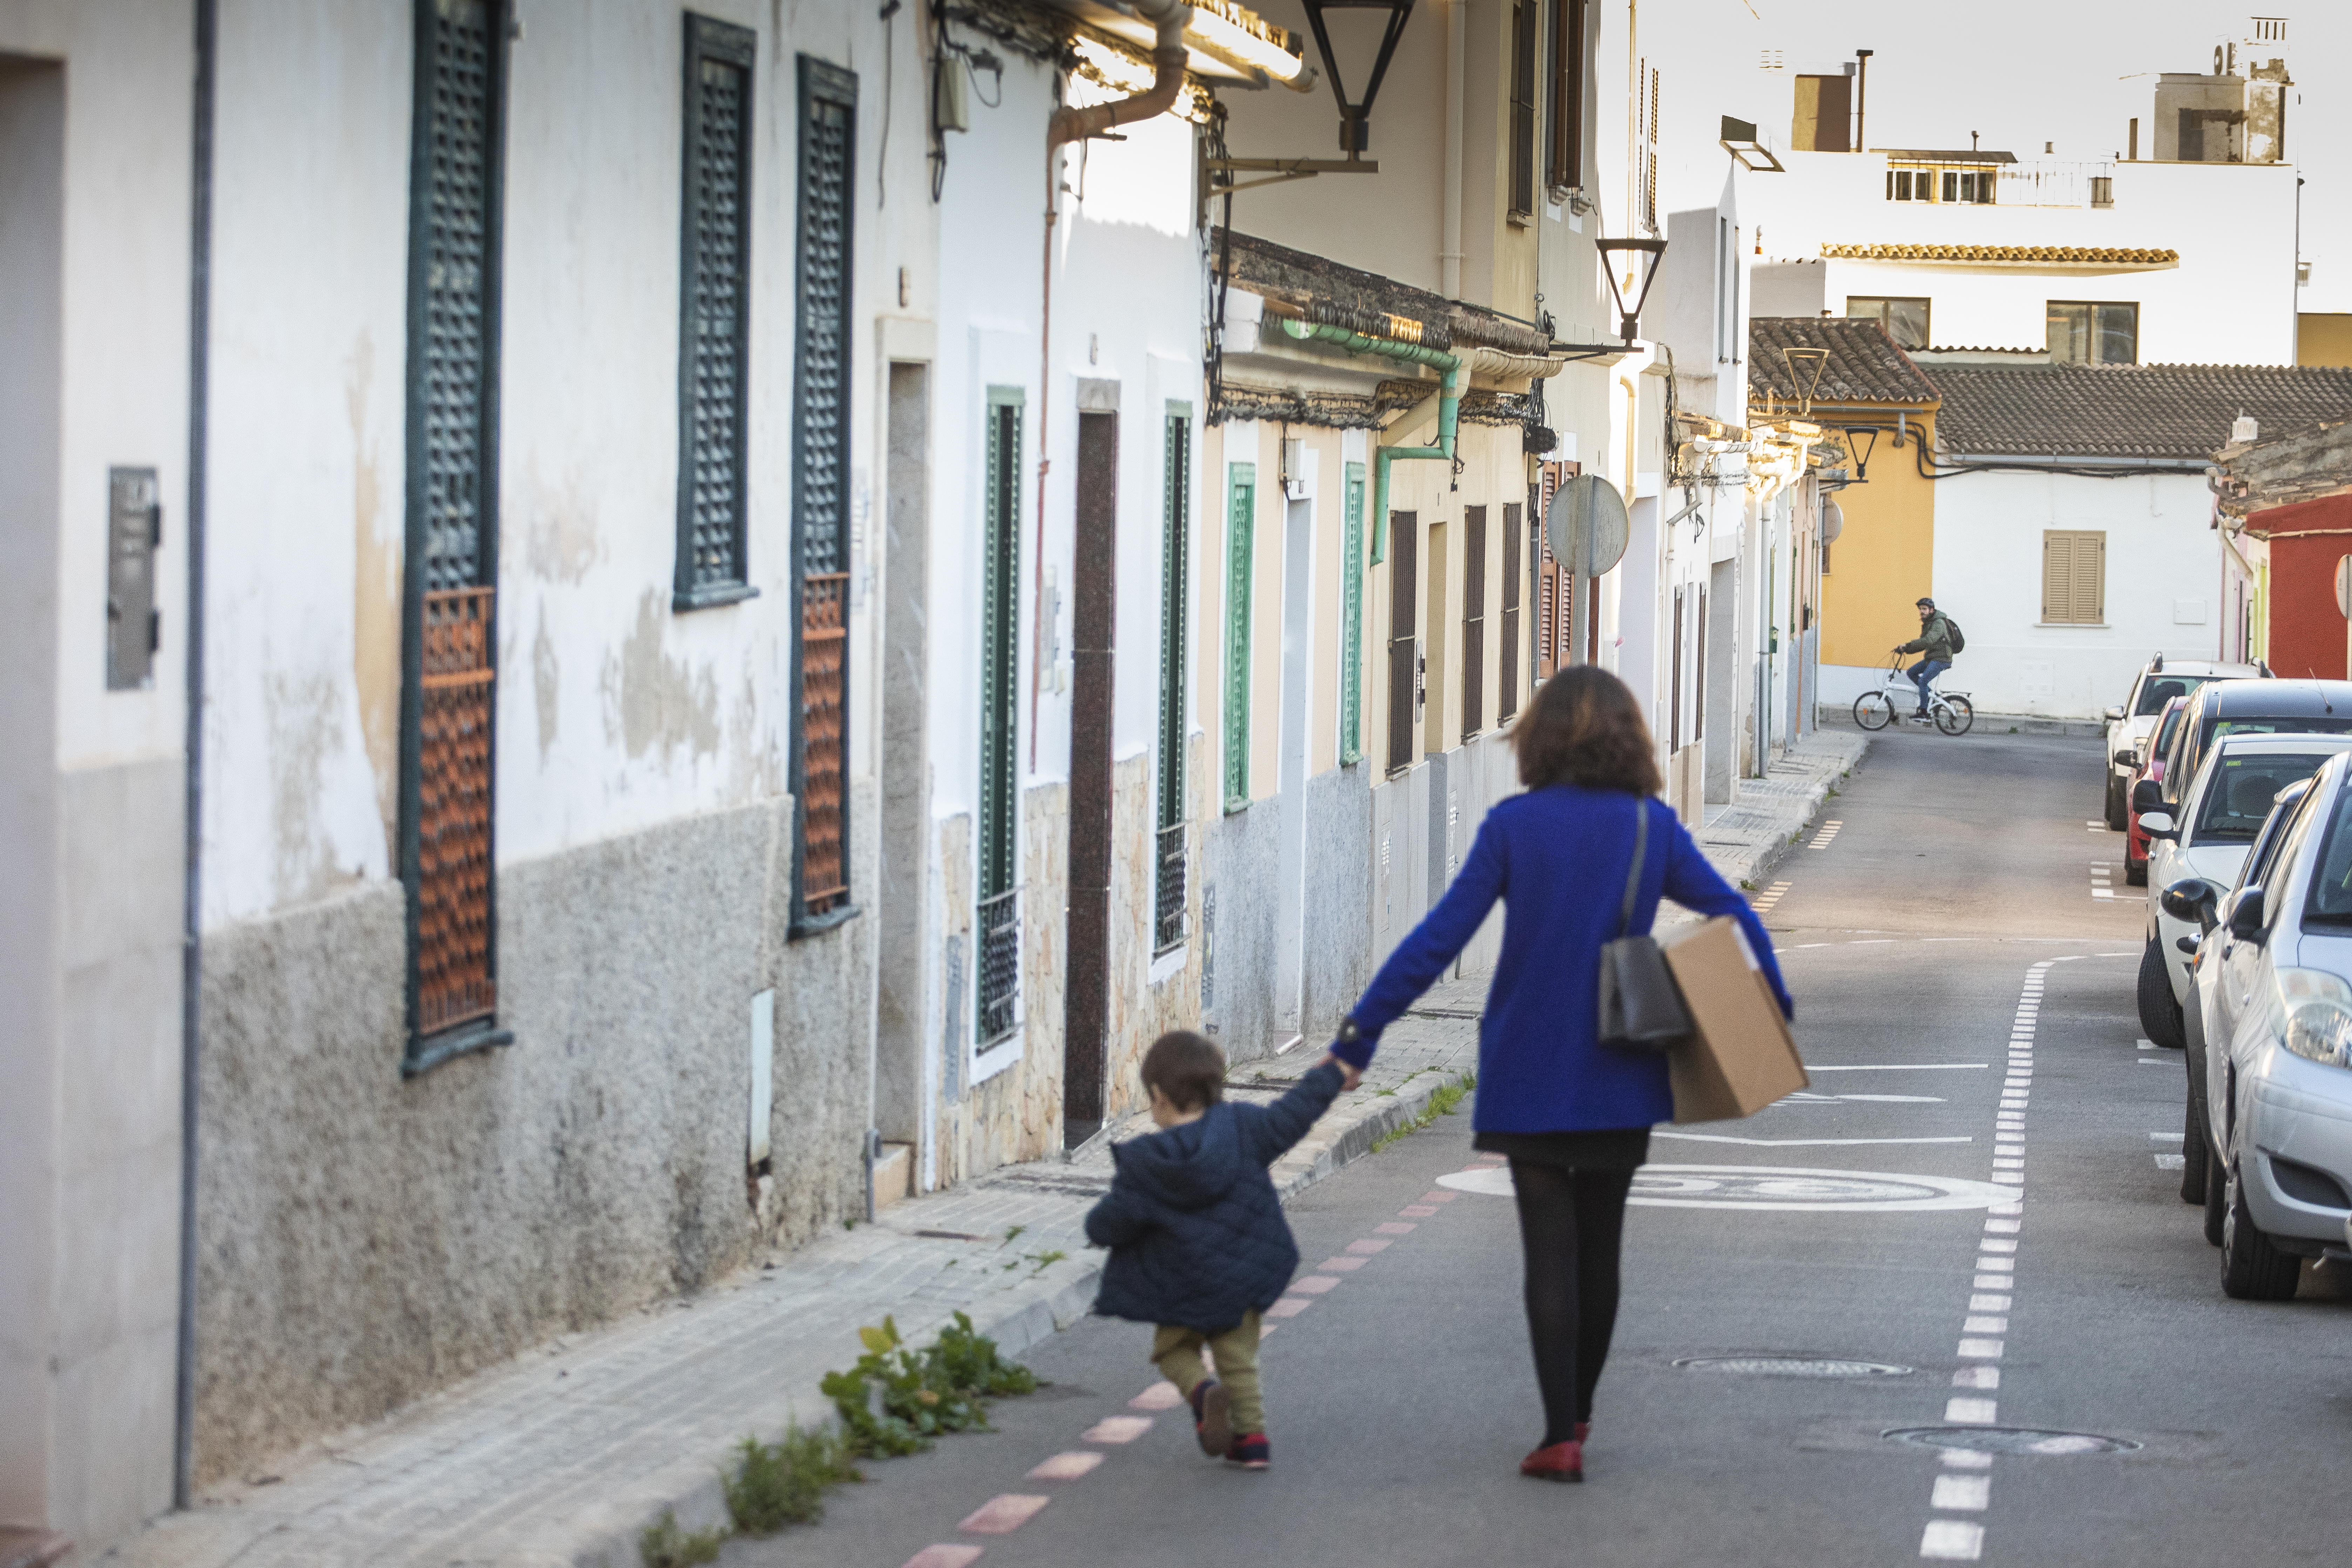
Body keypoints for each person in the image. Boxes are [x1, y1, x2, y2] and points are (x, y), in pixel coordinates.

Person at [1327, 666, 1791, 1485]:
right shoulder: (1652, 826)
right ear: (1629, 737)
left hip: (1529, 1064)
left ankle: (1557, 1435)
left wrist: (1363, 1031)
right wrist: (1773, 1006)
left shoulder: (1515, 825)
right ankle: (1578, 1415)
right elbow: (1735, 911)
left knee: (1548, 1253)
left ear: (1538, 736)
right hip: (1623, 1063)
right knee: (1600, 1247)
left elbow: (1438, 938)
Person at [1083, 1030, 1352, 1471]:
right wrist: (1337, 1072)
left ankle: (1204, 1393)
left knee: (1173, 1352)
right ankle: (1252, 1441)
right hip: (1243, 1276)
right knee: (1238, 1358)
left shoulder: (1150, 1160)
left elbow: (1112, 1221)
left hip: (1182, 1284)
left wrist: (1098, 1228)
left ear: (1159, 1096)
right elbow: (1297, 1111)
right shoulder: (1247, 1127)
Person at [1894, 596, 1955, 720]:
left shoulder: (1939, 623)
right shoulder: (1928, 624)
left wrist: (1907, 646)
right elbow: (1922, 644)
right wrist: (1905, 649)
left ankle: (1924, 713)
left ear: (1932, 610)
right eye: (1921, 609)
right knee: (1911, 673)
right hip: (1932, 658)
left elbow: (1929, 641)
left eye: (1925, 609)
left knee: (1923, 681)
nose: (1922, 611)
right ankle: (1932, 696)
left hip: (1941, 659)